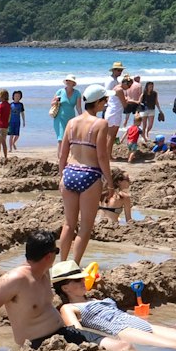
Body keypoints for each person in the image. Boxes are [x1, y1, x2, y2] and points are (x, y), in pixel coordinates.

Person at [51, 261, 176, 351]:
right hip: (123, 330)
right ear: (65, 288)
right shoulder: (69, 308)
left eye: (83, 278)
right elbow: (78, 334)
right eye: (78, 280)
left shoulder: (96, 297)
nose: (83, 282)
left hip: (138, 322)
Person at [0, 229, 89, 349]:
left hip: (63, 333)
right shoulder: (14, 280)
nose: (56, 255)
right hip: (41, 345)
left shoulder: (44, 272)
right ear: (48, 256)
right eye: (56, 251)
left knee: (110, 345)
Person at [58, 85, 113, 265]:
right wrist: (110, 182)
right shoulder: (101, 124)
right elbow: (102, 156)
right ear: (97, 102)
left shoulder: (71, 122)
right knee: (85, 228)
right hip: (90, 174)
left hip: (70, 173)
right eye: (104, 100)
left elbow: (63, 154)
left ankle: (61, 265)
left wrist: (61, 176)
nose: (106, 104)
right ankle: (74, 265)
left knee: (68, 224)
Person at [50, 75, 80, 162]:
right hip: (59, 117)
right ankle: (61, 158)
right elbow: (52, 103)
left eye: (69, 80)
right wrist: (55, 101)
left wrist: (82, 117)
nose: (67, 82)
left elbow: (78, 107)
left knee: (70, 138)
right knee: (61, 138)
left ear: (73, 83)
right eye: (66, 80)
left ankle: (68, 157)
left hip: (71, 118)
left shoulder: (77, 93)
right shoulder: (60, 91)